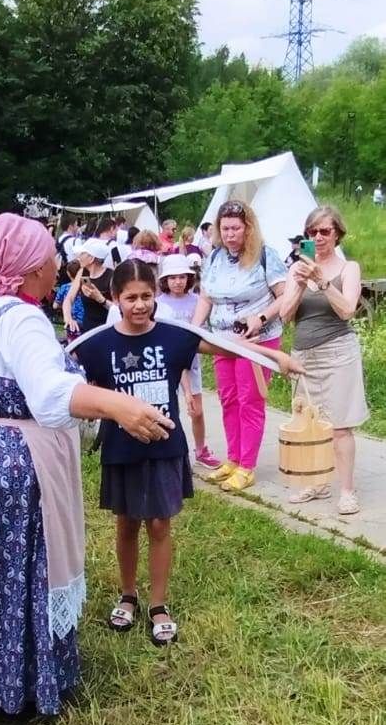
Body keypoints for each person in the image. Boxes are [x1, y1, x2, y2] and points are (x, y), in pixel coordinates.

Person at [0, 213, 175, 723]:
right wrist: (119, 406)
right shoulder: (21, 318)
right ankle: (13, 683)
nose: (59, 263)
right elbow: (49, 393)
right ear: (35, 266)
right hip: (13, 465)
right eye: (52, 257)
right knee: (15, 570)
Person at [74, 260, 301, 645]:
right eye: (131, 298)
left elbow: (227, 348)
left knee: (160, 524)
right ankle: (128, 594)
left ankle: (158, 603)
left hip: (164, 448)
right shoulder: (97, 345)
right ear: (115, 298)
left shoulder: (175, 336)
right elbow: (59, 376)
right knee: (126, 523)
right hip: (121, 448)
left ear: (156, 295)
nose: (140, 305)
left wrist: (274, 357)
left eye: (147, 296)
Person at [193, 200, 287, 492]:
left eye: (236, 228)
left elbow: (285, 296)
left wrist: (260, 317)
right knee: (228, 398)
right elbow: (206, 298)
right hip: (222, 340)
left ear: (248, 228)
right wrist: (194, 330)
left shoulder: (265, 256)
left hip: (256, 340)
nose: (230, 234)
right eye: (225, 228)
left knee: (250, 400)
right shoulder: (215, 257)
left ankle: (248, 465)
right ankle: (233, 458)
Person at [280, 205, 368, 515]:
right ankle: (314, 483)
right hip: (304, 354)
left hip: (338, 353)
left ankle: (346, 490)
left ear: (337, 234)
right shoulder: (296, 271)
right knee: (309, 423)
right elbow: (285, 315)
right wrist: (302, 282)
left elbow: (347, 311)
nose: (318, 237)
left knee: (341, 426)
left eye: (325, 231)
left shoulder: (349, 268)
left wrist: (323, 282)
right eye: (312, 232)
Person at [157, 254, 221, 470]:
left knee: (196, 409)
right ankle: (170, 451)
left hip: (191, 362)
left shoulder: (196, 301)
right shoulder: (159, 304)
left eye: (182, 277)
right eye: (172, 277)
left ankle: (201, 449)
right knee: (167, 408)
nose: (178, 282)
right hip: (168, 363)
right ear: (165, 280)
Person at [63, 239, 113, 334]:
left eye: (82, 254)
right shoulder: (83, 272)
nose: (78, 257)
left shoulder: (111, 276)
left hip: (105, 331)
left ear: (91, 258)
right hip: (86, 328)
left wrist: (101, 299)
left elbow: (119, 310)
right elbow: (68, 299)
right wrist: (68, 318)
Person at [53, 259, 84, 338]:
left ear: (68, 273)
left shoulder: (64, 287)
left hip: (70, 320)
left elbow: (55, 305)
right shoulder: (85, 287)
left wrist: (63, 306)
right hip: (84, 320)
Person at [56, 213, 78, 285]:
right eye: (76, 224)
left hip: (60, 272)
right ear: (71, 226)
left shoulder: (58, 240)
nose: (77, 227)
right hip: (72, 275)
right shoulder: (75, 241)